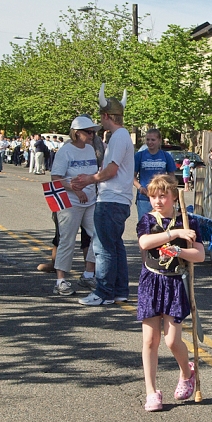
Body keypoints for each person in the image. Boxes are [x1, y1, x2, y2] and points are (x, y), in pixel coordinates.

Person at [136, 174, 205, 411]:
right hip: (151, 281)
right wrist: (173, 235)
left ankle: (187, 373)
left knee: (172, 340)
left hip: (175, 284)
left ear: (174, 197)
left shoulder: (187, 221)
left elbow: (200, 255)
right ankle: (151, 391)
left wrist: (180, 252)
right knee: (150, 339)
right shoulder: (148, 220)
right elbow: (144, 243)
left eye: (163, 196)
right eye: (153, 196)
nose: (157, 201)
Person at [73, 84, 135, 306]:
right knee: (115, 245)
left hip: (111, 199)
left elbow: (111, 169)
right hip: (120, 199)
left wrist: (89, 179)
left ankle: (103, 293)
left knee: (103, 248)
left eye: (101, 115)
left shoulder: (118, 137)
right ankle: (119, 290)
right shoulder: (122, 136)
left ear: (107, 115)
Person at [49, 116, 100, 295]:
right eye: (88, 132)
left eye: (93, 132)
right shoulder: (65, 151)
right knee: (67, 239)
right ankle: (61, 280)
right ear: (77, 133)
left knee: (98, 235)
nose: (92, 135)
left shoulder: (90, 149)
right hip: (70, 202)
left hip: (91, 200)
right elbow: (56, 178)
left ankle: (88, 274)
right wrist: (75, 189)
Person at [133, 129, 176, 222]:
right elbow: (132, 177)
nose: (150, 142)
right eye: (148, 140)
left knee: (161, 224)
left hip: (161, 197)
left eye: (153, 140)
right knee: (145, 225)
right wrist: (140, 187)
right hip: (144, 198)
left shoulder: (166, 156)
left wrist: (171, 191)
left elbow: (172, 176)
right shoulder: (139, 156)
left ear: (159, 140)